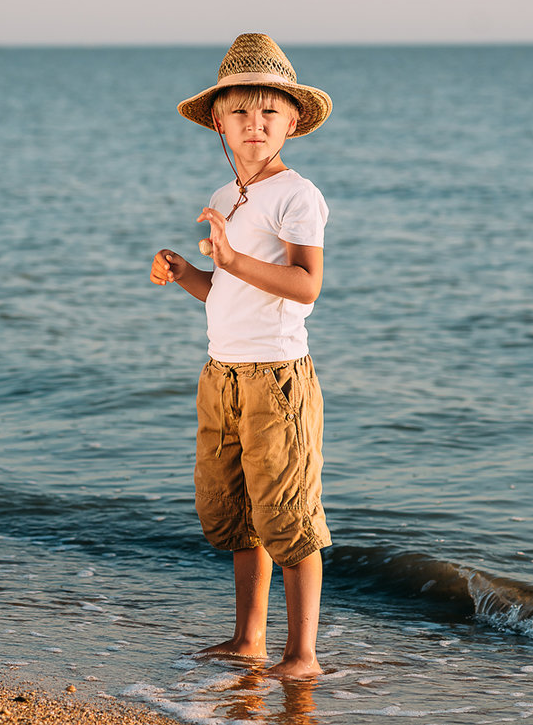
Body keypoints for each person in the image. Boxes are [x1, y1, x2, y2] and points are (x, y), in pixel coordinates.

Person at [150, 33, 333, 678]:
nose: (254, 125)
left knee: (290, 515)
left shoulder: (296, 195)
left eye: (267, 113)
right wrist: (190, 273)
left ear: (291, 122)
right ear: (218, 124)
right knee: (237, 513)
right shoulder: (227, 198)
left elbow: (306, 286)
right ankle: (248, 639)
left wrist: (230, 258)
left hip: (276, 378)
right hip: (221, 373)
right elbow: (224, 293)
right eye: (239, 113)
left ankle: (301, 653)